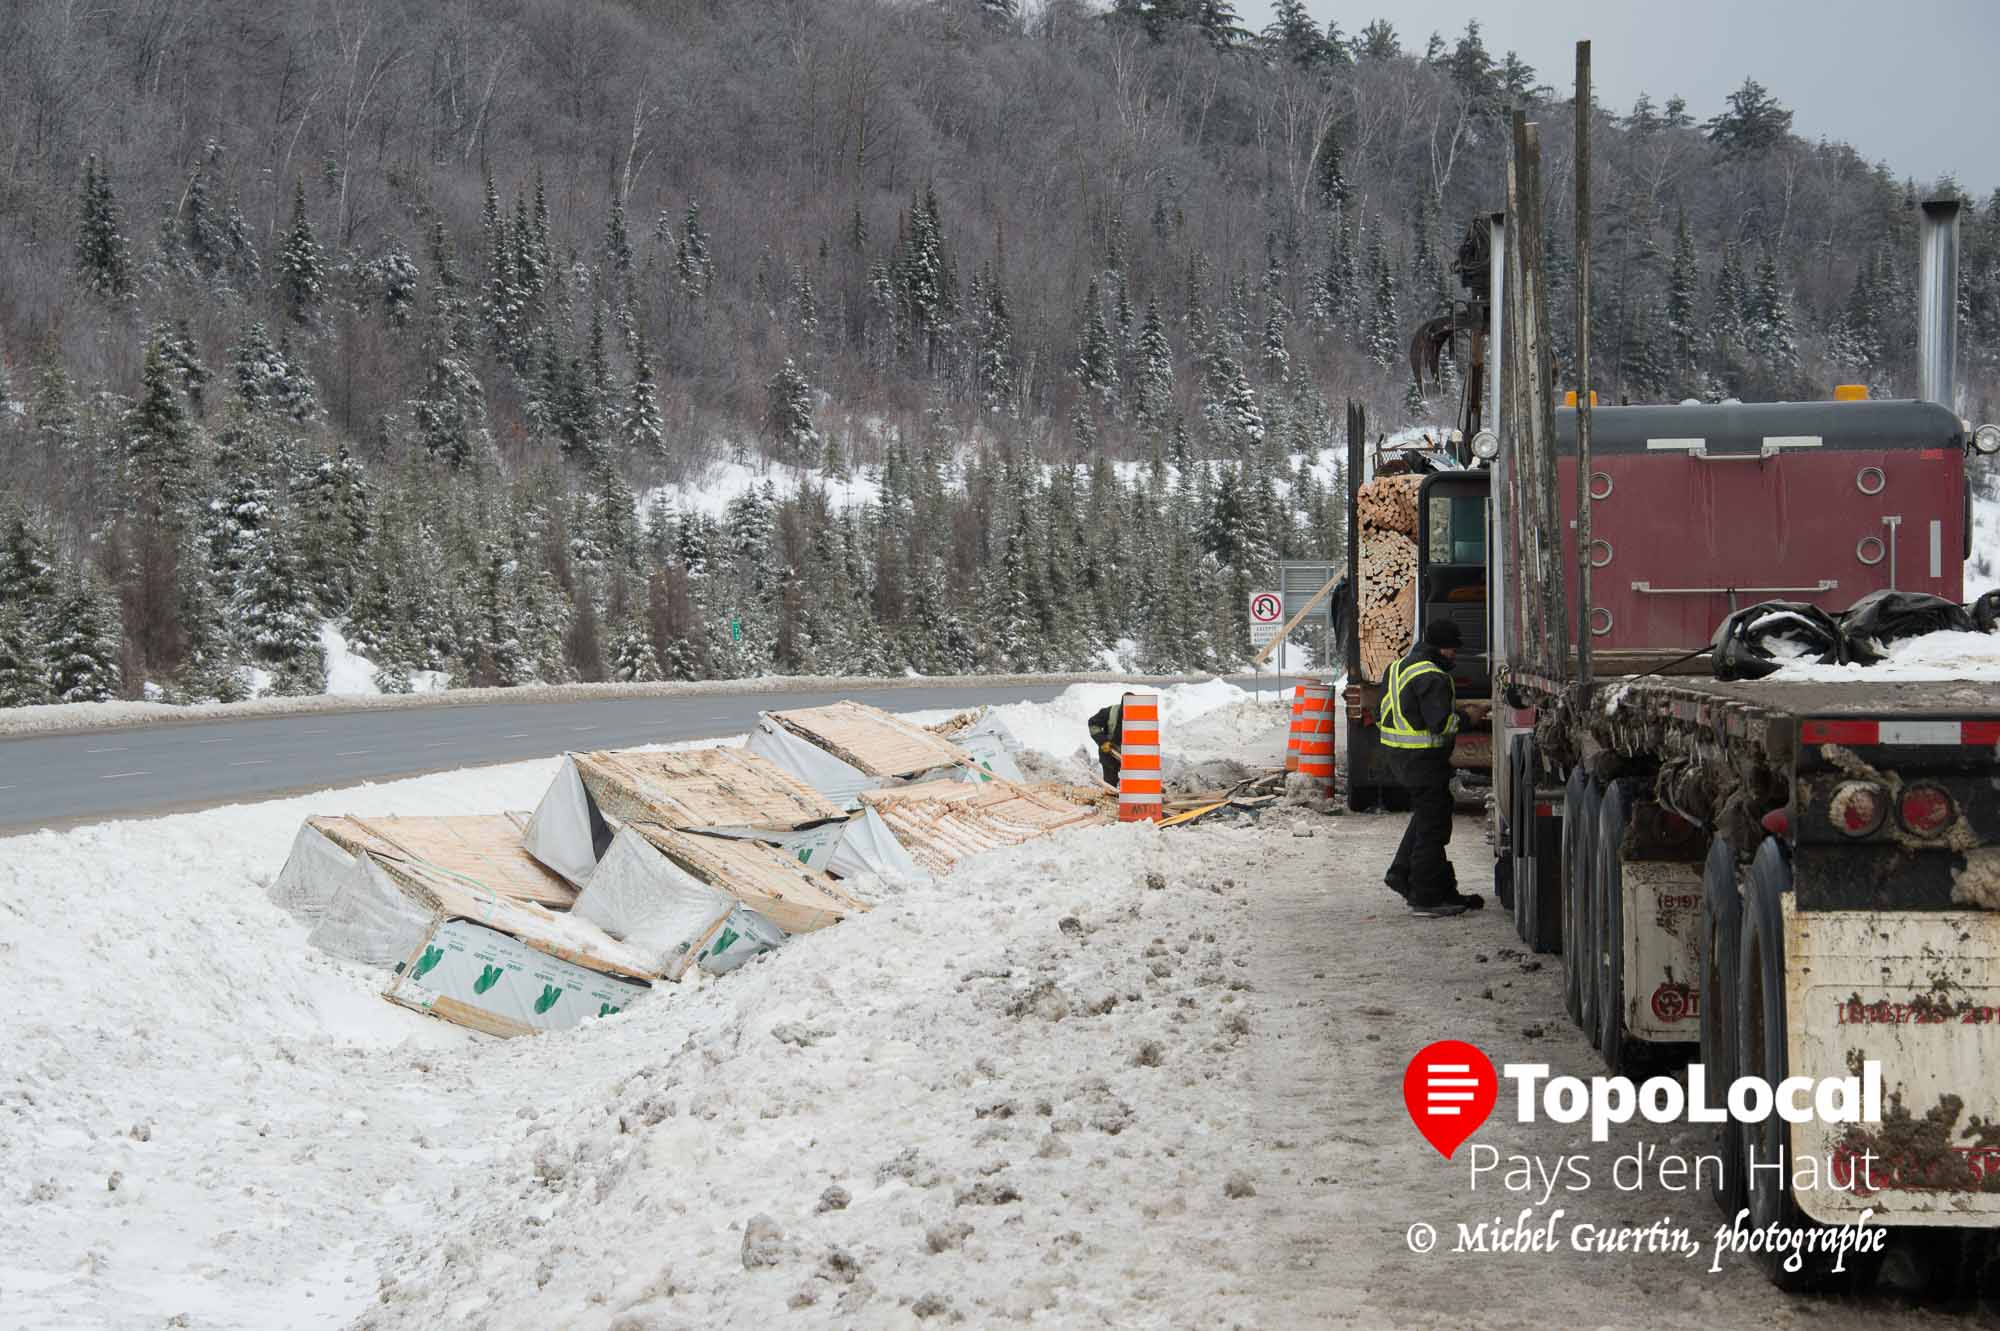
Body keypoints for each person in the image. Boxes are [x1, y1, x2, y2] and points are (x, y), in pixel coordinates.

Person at [1380, 619, 1491, 918]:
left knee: (1428, 816)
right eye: (1452, 649)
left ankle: (1404, 874)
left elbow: (1413, 710)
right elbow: (1441, 724)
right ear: (1439, 647)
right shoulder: (1432, 676)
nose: (1454, 655)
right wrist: (1470, 718)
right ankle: (1427, 897)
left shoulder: (1401, 666)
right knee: (1434, 827)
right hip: (1422, 758)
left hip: (1400, 756)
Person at [1087, 700, 1123, 785]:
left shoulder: (1141, 716)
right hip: (1110, 750)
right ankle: (1111, 794)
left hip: (1131, 753)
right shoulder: (1109, 712)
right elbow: (1093, 724)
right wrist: (1103, 741)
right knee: (1110, 779)